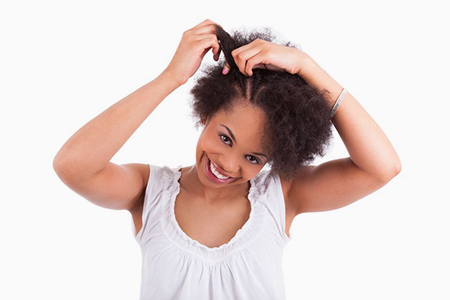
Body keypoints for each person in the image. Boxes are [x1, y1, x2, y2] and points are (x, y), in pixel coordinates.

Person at [53, 19, 402, 300]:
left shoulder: (281, 197)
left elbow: (382, 167)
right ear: (204, 113)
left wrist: (308, 68)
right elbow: (72, 166)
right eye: (224, 138)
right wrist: (170, 78)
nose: (229, 165)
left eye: (253, 156)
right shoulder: (149, 192)